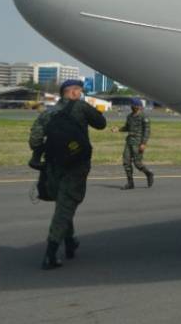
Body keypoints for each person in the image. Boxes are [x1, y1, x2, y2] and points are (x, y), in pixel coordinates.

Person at [28, 79, 107, 269]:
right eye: (79, 90)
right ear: (72, 92)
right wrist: (93, 110)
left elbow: (35, 140)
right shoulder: (81, 106)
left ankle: (70, 241)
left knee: (64, 203)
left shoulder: (49, 112)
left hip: (53, 165)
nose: (80, 93)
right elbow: (101, 124)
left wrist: (40, 155)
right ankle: (50, 254)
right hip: (76, 164)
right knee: (65, 206)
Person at [118, 98, 154, 189]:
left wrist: (143, 143)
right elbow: (127, 127)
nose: (132, 107)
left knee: (137, 163)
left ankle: (148, 174)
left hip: (138, 143)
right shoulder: (129, 116)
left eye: (134, 105)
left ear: (138, 106)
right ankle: (130, 183)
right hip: (129, 141)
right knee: (126, 162)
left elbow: (147, 131)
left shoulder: (144, 117)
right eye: (132, 105)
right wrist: (118, 129)